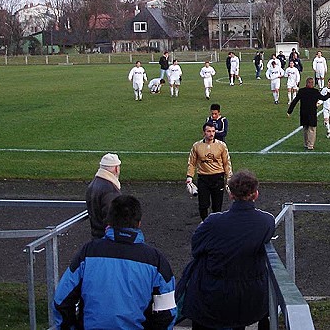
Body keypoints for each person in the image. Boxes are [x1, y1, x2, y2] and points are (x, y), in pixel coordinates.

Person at [53, 195, 177, 330]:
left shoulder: (88, 253)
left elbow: (61, 300)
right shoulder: (155, 259)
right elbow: (167, 312)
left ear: (109, 223)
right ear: (139, 223)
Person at [177, 170, 275, 330]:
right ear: (255, 194)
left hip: (213, 296)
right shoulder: (267, 221)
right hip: (248, 298)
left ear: (231, 195)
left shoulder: (213, 222)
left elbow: (196, 249)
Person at [186, 122, 232, 221]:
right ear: (204, 132)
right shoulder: (196, 146)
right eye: (208, 131)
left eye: (213, 131)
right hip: (203, 178)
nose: (211, 134)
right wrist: (189, 177)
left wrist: (229, 178)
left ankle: (215, 225)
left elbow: (226, 163)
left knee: (217, 206)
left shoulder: (222, 146)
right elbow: (192, 162)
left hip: (218, 178)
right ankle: (205, 223)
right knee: (203, 205)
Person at [286, 77, 330, 150]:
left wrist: (289, 111)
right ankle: (310, 145)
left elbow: (295, 101)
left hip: (303, 113)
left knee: (305, 128)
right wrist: (329, 94)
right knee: (312, 129)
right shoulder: (315, 91)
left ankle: (306, 143)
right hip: (312, 113)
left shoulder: (302, 91)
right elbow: (323, 98)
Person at [86, 152, 122, 238]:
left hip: (96, 235)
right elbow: (112, 218)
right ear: (116, 169)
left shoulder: (93, 184)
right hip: (107, 238)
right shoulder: (110, 189)